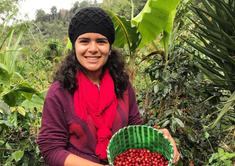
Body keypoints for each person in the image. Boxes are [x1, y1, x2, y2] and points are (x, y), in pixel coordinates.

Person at [37, 6, 180, 166]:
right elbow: (51, 150)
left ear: (109, 48)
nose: (93, 49)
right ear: (75, 46)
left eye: (101, 41)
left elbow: (134, 131)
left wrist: (158, 136)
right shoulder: (59, 92)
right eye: (84, 41)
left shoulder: (123, 85)